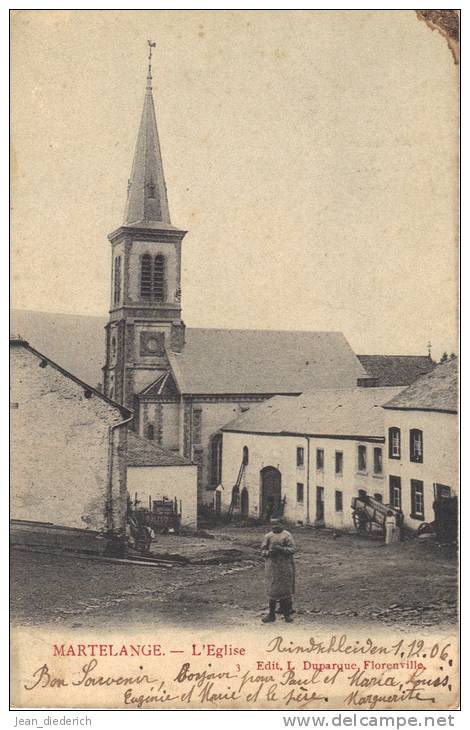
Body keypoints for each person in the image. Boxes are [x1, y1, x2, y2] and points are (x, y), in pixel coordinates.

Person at [261, 518, 296, 623]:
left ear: (282, 524)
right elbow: (263, 550)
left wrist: (281, 549)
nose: (274, 527)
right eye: (272, 525)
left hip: (284, 567)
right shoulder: (268, 536)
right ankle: (271, 615)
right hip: (272, 567)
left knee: (285, 591)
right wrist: (268, 553)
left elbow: (293, 549)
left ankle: (286, 615)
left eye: (277, 524)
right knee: (272, 591)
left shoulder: (287, 535)